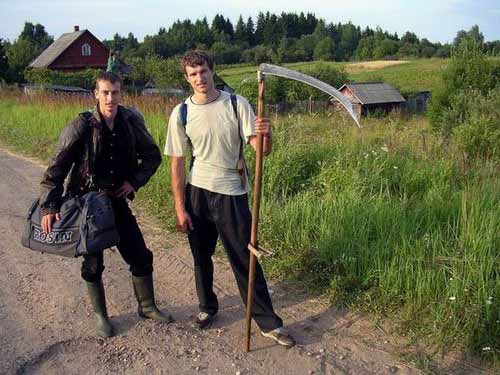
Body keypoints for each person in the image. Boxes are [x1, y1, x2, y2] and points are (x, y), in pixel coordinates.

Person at [165, 50, 295, 347]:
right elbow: (177, 162)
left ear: (213, 71)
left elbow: (261, 151)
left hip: (231, 193)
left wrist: (266, 133)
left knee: (244, 258)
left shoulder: (236, 104)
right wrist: (179, 207)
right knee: (201, 257)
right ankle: (207, 307)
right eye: (193, 74)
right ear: (186, 78)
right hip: (197, 192)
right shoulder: (181, 113)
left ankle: (268, 323)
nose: (200, 78)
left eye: (204, 71)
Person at [39, 71, 172, 338]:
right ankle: (102, 317)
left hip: (117, 201)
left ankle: (147, 306)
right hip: (87, 205)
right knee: (92, 264)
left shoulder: (131, 121)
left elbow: (152, 156)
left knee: (140, 256)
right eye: (105, 92)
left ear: (122, 94)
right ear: (96, 94)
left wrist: (134, 182)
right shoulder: (82, 125)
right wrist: (49, 206)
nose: (110, 98)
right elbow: (57, 166)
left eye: (115, 92)